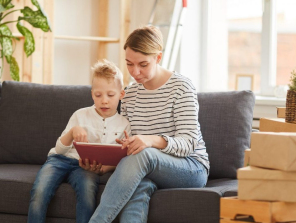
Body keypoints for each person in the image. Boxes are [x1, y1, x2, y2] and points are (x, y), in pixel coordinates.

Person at [89, 25, 210, 223]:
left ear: (158, 58)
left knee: (144, 155)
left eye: (143, 64)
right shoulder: (129, 94)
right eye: (129, 64)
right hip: (148, 166)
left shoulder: (181, 87)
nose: (135, 72)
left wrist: (151, 141)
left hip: (191, 167)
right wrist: (107, 165)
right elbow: (130, 145)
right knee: (138, 187)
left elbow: (189, 143)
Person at [27, 59, 131, 223]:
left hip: (86, 167)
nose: (104, 100)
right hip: (59, 160)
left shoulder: (124, 124)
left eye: (110, 95)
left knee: (88, 192)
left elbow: (122, 158)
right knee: (40, 191)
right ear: (92, 94)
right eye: (98, 95)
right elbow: (59, 150)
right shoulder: (80, 115)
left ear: (121, 94)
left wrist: (103, 169)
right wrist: (72, 132)